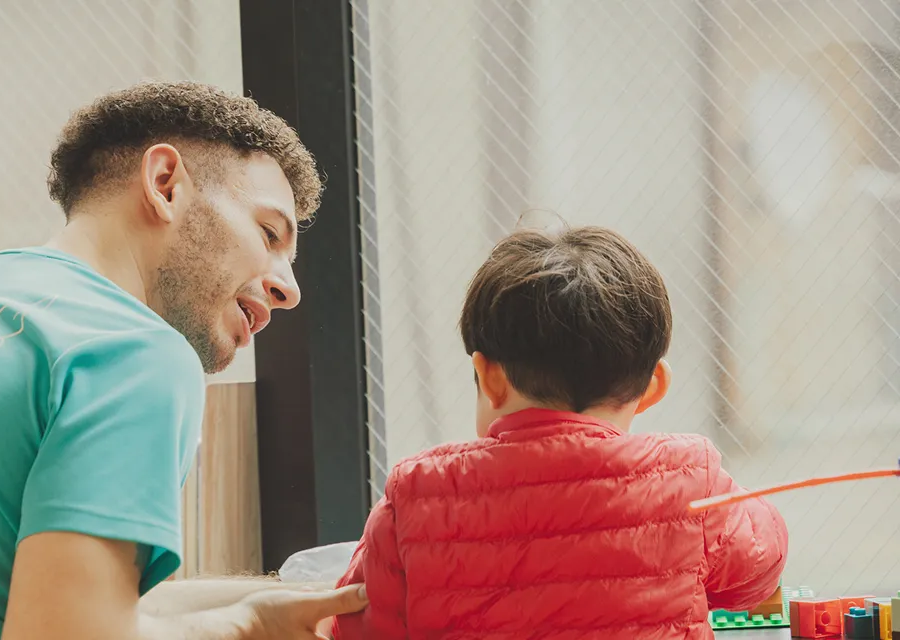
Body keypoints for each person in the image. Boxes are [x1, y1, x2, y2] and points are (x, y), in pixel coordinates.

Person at [0, 81, 366, 640]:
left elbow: (65, 598)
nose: (290, 290)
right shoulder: (133, 351)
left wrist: (289, 597)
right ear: (165, 185)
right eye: (269, 234)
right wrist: (240, 628)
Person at [331, 226, 788, 639]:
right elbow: (758, 571)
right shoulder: (689, 480)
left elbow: (355, 625)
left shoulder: (417, 494)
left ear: (488, 378)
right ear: (652, 388)